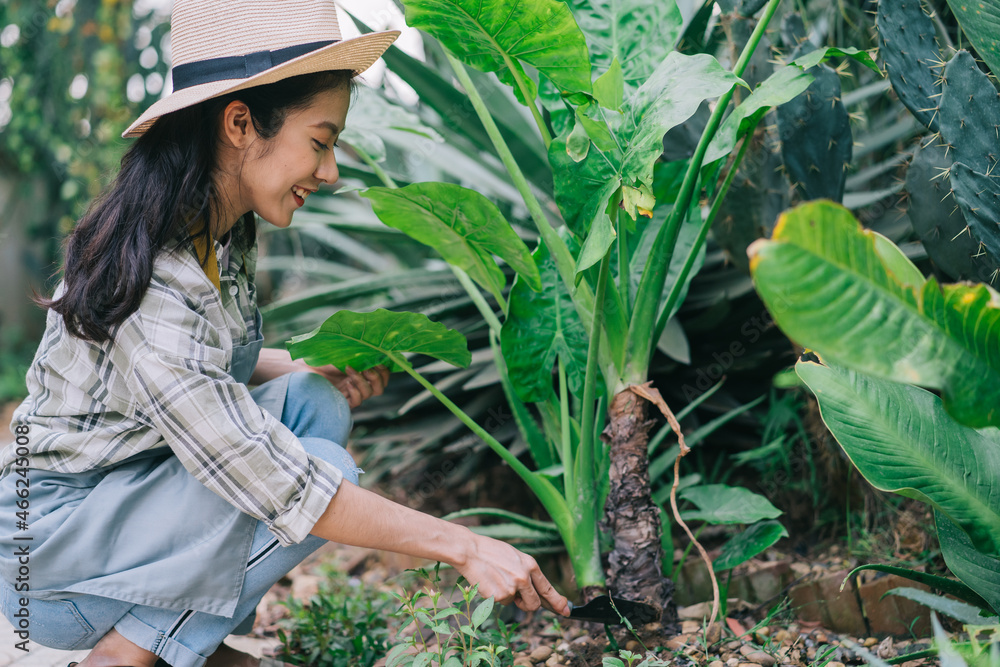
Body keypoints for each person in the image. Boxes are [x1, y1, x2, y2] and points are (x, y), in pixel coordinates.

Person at [0, 2, 570, 666]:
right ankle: (125, 653)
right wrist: (466, 544)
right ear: (240, 122)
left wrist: (302, 368)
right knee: (316, 472)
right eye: (321, 142)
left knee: (312, 403)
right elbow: (275, 482)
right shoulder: (156, 278)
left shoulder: (219, 229)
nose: (329, 172)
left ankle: (177, 637)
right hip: (49, 561)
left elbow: (197, 371)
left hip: (119, 502)